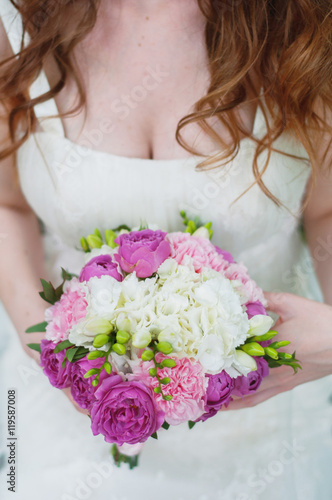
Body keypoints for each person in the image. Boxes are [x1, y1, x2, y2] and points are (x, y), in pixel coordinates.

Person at [0, 0, 331, 499]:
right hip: (64, 424)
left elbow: (327, 212)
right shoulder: (18, 19)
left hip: (268, 419)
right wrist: (41, 340)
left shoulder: (308, 23)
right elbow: (8, 203)